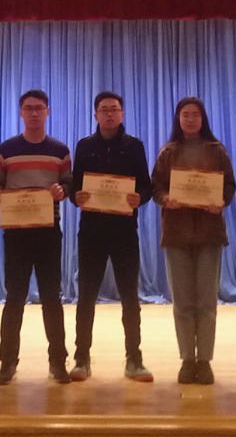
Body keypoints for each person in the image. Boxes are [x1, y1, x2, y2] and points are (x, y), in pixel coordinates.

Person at [69, 91, 154, 383]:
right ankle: (81, 357)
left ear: (122, 113)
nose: (109, 114)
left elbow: (146, 186)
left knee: (130, 297)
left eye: (114, 109)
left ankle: (134, 358)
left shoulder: (134, 146)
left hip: (124, 232)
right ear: (95, 114)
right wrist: (76, 196)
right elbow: (74, 186)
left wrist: (139, 197)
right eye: (104, 109)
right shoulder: (84, 146)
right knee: (86, 297)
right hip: (91, 231)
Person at [0, 89, 72, 385]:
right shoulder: (6, 149)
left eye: (39, 108)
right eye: (28, 108)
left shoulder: (60, 150)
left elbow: (69, 184)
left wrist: (63, 190)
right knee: (14, 298)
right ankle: (7, 363)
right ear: (21, 112)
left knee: (52, 298)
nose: (34, 113)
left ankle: (58, 362)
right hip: (16, 234)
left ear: (47, 111)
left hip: (48, 232)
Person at [151, 97, 235, 385]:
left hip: (209, 234)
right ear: (178, 118)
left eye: (195, 114)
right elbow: (155, 187)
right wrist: (166, 199)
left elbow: (229, 186)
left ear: (203, 118)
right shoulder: (168, 152)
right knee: (183, 302)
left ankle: (205, 360)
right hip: (176, 234)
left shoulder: (216, 150)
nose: (190, 119)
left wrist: (221, 201)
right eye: (185, 114)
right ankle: (187, 359)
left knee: (207, 301)